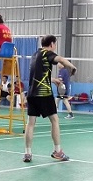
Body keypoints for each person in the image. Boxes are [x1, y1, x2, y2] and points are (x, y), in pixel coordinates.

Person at [23, 35, 77, 163]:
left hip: (31, 93)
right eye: (55, 44)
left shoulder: (35, 55)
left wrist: (52, 80)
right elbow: (61, 59)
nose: (55, 47)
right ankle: (58, 151)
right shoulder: (47, 53)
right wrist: (72, 67)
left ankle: (27, 153)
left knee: (30, 123)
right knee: (54, 120)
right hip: (44, 94)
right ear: (52, 44)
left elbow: (37, 74)